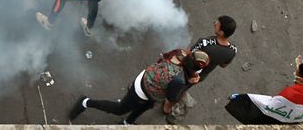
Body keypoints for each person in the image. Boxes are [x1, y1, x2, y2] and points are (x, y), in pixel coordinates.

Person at [68, 49, 210, 125]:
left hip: (148, 78)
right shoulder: (180, 79)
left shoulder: (181, 53)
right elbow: (171, 97)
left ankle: (127, 122)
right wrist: (189, 83)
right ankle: (85, 102)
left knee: (147, 105)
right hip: (143, 91)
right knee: (119, 109)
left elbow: (164, 57)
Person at [162, 15, 238, 120]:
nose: (215, 23)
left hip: (187, 70)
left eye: (217, 24)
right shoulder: (233, 50)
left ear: (221, 32)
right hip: (201, 76)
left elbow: (188, 54)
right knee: (183, 88)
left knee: (174, 85)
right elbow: (223, 65)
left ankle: (165, 103)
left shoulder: (204, 43)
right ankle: (169, 105)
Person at [225, 56, 303, 124]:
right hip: (293, 121)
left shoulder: (289, 93)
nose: (295, 74)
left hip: (276, 118)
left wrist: (246, 98)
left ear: (301, 80)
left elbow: (269, 105)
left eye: (297, 74)